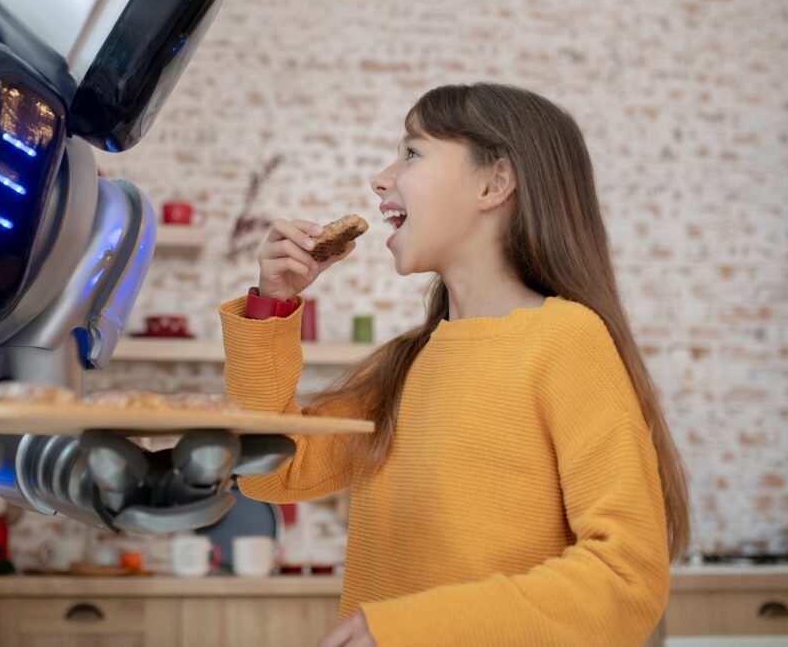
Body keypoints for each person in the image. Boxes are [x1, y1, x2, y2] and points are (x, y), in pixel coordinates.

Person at [219, 82, 690, 646]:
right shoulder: (405, 364)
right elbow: (271, 471)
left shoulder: (565, 341)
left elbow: (627, 578)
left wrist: (410, 629)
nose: (380, 179)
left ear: (494, 184)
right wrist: (271, 304)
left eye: (412, 153)